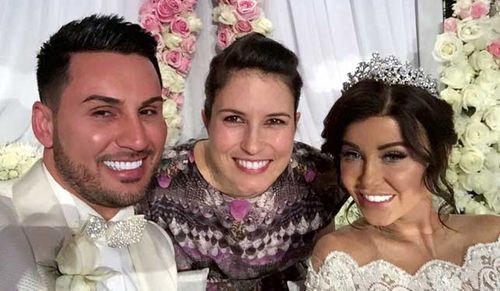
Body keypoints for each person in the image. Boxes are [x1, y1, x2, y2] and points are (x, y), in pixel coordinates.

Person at [137, 32, 347, 290]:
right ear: (207, 120)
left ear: (295, 123)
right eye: (234, 119)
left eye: (274, 121)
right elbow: (104, 253)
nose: (252, 145)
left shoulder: (322, 179)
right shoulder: (153, 184)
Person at [0, 14, 177, 290]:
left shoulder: (155, 242)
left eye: (148, 111)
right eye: (103, 112)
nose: (138, 140)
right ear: (44, 125)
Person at [305, 54, 500, 290]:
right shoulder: (339, 259)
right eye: (352, 155)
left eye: (393, 156)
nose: (368, 179)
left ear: (439, 155)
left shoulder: (493, 236)